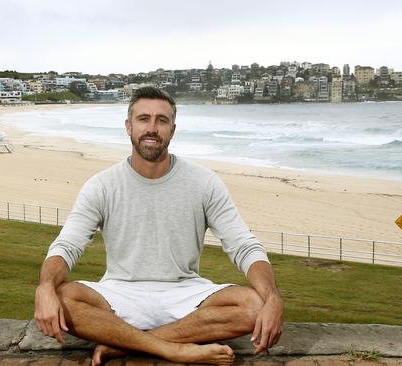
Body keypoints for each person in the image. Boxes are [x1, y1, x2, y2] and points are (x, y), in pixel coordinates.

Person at [34, 87, 283, 366]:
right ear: (128, 126)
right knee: (62, 297)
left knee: (254, 305)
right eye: (143, 119)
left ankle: (125, 345)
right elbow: (68, 245)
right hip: (119, 293)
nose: (152, 128)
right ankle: (174, 349)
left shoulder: (204, 182)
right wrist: (44, 287)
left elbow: (243, 246)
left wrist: (272, 297)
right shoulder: (102, 185)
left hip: (187, 293)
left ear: (172, 130)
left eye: (161, 121)